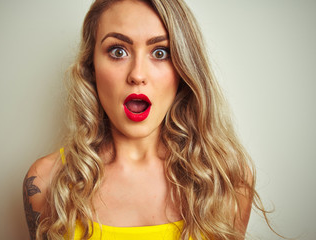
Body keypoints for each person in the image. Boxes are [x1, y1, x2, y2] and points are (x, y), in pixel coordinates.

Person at [23, 0, 259, 239]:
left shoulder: (227, 178)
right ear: (91, 66)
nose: (137, 74)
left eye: (160, 52)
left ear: (184, 70)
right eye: (118, 51)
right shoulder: (47, 182)